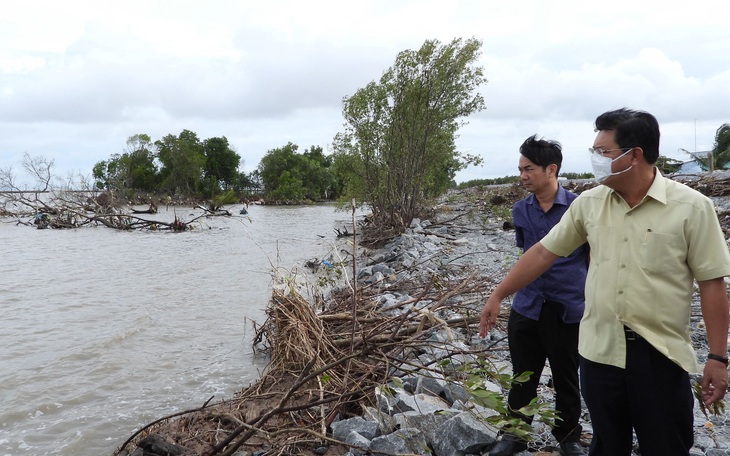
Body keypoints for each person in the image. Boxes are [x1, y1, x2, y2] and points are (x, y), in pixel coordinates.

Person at [480, 108, 730, 456]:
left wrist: (717, 357)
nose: (596, 159)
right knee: (607, 445)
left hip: (659, 354)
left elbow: (711, 284)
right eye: (593, 151)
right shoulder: (590, 204)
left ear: (634, 155)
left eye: (603, 152)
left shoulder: (691, 207)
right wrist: (498, 295)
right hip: (599, 352)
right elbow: (541, 253)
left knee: (665, 445)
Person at [487, 135, 588, 456]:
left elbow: (592, 256)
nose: (522, 176)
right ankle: (515, 434)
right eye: (520, 169)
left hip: (567, 307)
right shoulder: (521, 210)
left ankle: (569, 436)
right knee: (522, 375)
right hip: (528, 306)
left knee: (566, 376)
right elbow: (526, 257)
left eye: (528, 169)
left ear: (551, 169)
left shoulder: (578, 208)